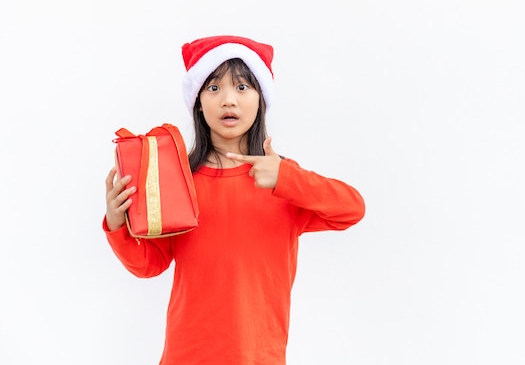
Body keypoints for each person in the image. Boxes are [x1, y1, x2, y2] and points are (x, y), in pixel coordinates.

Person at [103, 35, 366, 365]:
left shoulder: (283, 180)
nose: (229, 100)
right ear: (198, 101)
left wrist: (285, 177)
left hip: (260, 356)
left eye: (242, 87)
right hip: (187, 355)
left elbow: (352, 209)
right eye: (214, 88)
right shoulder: (180, 180)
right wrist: (117, 222)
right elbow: (149, 265)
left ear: (260, 100)